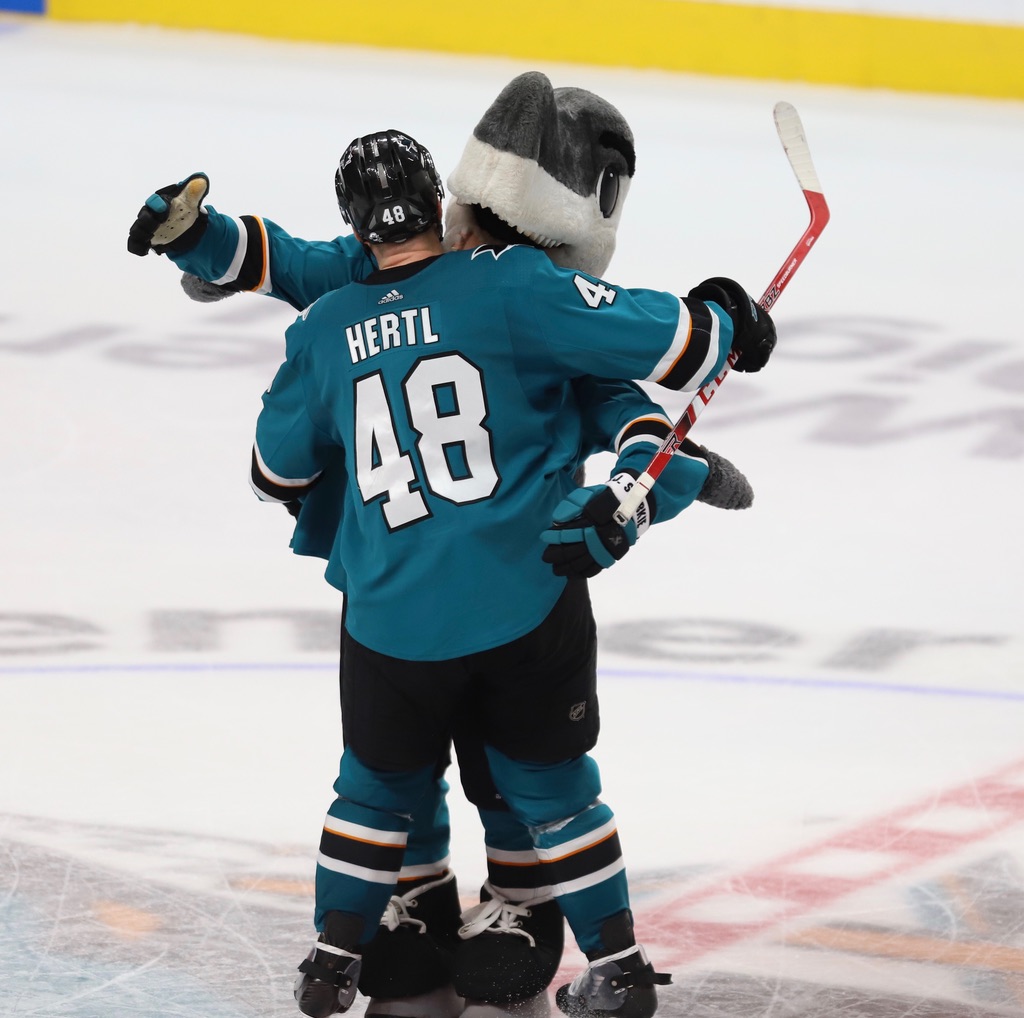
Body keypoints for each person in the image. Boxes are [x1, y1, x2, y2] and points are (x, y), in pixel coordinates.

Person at [126, 87, 755, 1014]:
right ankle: (585, 945)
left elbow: (277, 448)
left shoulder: (332, 316)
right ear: (439, 197)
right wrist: (720, 337)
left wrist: (204, 245)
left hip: (389, 602)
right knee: (541, 779)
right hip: (519, 594)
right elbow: (644, 369)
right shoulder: (516, 285)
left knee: (380, 779)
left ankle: (345, 949)